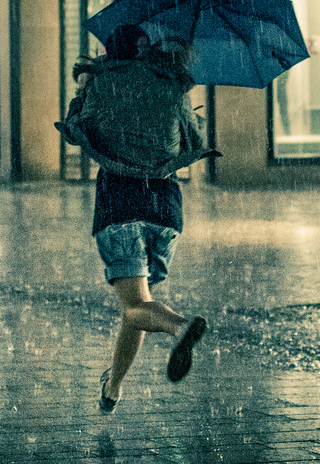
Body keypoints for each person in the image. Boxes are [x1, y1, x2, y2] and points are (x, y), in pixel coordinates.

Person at [56, 24, 220, 414]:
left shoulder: (103, 85)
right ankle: (113, 388)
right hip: (164, 209)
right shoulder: (169, 86)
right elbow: (194, 144)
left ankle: (180, 328)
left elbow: (76, 133)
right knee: (139, 304)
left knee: (135, 307)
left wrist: (81, 97)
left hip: (120, 203)